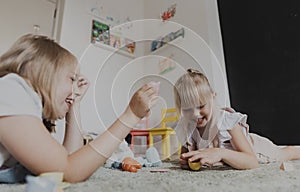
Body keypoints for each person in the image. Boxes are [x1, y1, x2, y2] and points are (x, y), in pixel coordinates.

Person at [0, 34, 157, 183]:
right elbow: (67, 171)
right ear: (43, 72)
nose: (75, 89)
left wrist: (75, 103)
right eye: (71, 79)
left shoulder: (21, 108)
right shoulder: (11, 89)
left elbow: (71, 158)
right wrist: (131, 115)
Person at [173, 68, 300, 170]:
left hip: (257, 150)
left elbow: (252, 162)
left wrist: (220, 153)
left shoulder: (226, 123)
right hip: (232, 156)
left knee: (284, 153)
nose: (195, 114)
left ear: (213, 97)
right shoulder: (187, 126)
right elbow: (186, 154)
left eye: (201, 106)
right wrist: (186, 161)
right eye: (188, 109)